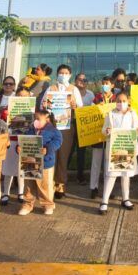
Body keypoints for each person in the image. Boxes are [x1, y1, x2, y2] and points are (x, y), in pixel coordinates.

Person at [43, 64, 83, 200]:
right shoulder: (50, 88)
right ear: (57, 74)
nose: (63, 75)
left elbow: (80, 108)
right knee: (50, 153)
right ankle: (50, 183)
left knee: (63, 155)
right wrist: (44, 105)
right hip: (52, 126)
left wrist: (74, 106)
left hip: (67, 125)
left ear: (70, 75)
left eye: (66, 73)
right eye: (61, 72)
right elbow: (42, 105)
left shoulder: (74, 89)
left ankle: (60, 184)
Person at [98, 92, 138, 215]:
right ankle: (104, 201)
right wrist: (107, 131)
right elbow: (104, 130)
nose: (121, 103)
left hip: (127, 147)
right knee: (111, 175)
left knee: (125, 175)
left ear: (128, 101)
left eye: (123, 100)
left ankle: (126, 199)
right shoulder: (111, 114)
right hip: (115, 148)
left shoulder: (133, 113)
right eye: (118, 100)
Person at [19, 108, 63, 216]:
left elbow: (58, 142)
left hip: (46, 163)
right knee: (29, 185)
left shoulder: (54, 131)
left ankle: (47, 204)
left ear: (47, 119)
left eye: (38, 118)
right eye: (35, 118)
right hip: (30, 161)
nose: (35, 121)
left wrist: (48, 149)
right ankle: (27, 204)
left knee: (45, 185)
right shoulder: (30, 130)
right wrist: (18, 148)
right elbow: (23, 142)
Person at [0, 76, 22, 206]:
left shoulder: (19, 97)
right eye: (6, 84)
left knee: (21, 165)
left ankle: (21, 192)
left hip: (19, 135)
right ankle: (5, 192)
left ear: (14, 85)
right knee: (7, 166)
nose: (8, 86)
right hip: (4, 135)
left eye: (11, 84)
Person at [90, 76, 116, 199]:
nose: (105, 85)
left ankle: (108, 189)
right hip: (97, 134)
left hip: (112, 135)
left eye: (107, 83)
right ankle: (93, 188)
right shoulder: (96, 98)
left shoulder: (116, 99)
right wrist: (96, 107)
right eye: (103, 83)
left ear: (112, 86)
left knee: (108, 164)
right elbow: (89, 113)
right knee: (96, 162)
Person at [71, 73, 93, 185]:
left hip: (84, 126)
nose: (82, 81)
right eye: (79, 79)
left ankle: (80, 176)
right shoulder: (70, 92)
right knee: (68, 150)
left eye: (84, 79)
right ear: (75, 80)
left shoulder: (90, 94)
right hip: (71, 123)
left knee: (81, 152)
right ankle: (62, 176)